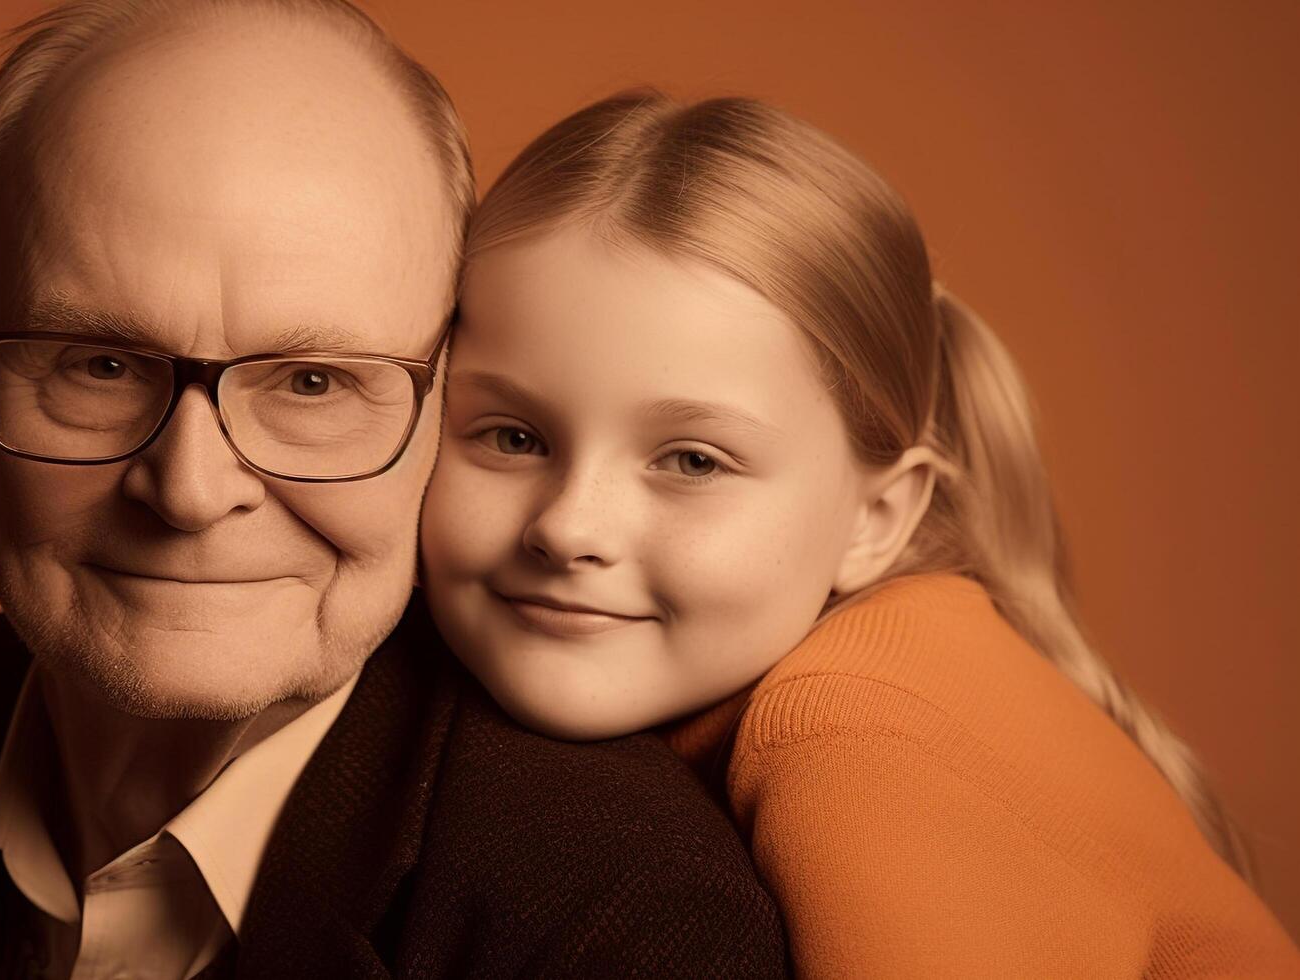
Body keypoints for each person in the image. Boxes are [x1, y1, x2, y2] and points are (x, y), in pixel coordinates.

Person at [0, 7, 788, 979]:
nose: (188, 488)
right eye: (99, 363)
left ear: (442, 409)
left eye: (315, 380)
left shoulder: (616, 922)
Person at [420, 91, 1300, 976]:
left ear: (875, 519)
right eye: (512, 438)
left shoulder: (857, 735)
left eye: (691, 462)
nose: (567, 527)